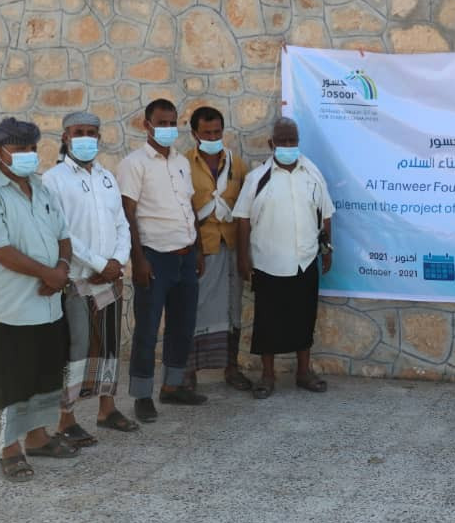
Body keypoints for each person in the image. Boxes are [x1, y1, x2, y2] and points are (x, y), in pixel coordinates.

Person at [0, 118, 78, 481]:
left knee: (44, 374)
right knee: (12, 379)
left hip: (48, 303)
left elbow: (63, 235)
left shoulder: (40, 188)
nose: (29, 154)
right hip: (11, 308)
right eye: (20, 148)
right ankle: (9, 448)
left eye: (32, 148)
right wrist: (48, 274)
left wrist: (61, 269)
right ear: (0, 152)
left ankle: (38, 437)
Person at [42, 111, 138, 446]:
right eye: (78, 131)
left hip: (109, 279)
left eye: (92, 132)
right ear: (66, 137)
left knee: (109, 346)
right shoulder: (53, 180)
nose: (86, 137)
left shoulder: (106, 177)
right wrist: (99, 263)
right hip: (77, 280)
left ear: (99, 137)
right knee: (76, 348)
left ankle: (106, 409)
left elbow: (121, 223)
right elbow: (62, 231)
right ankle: (65, 419)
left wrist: (117, 261)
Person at [117, 98, 205, 423]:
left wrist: (198, 249)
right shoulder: (134, 164)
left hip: (185, 255)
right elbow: (127, 213)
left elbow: (189, 206)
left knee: (182, 326)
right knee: (148, 329)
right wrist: (138, 260)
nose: (168, 129)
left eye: (172, 123)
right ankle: (142, 396)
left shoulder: (181, 162)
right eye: (162, 123)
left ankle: (172, 387)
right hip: (154, 257)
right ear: (147, 125)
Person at [233, 117, 334, 399]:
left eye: (293, 140)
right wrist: (243, 258)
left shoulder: (312, 174)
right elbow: (242, 219)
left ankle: (303, 372)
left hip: (305, 260)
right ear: (271, 144)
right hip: (268, 262)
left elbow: (326, 214)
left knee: (304, 317)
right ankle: (268, 375)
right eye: (283, 141)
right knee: (268, 322)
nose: (288, 145)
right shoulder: (257, 178)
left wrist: (328, 250)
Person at [184, 106, 252, 392]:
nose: (213, 137)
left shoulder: (237, 164)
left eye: (217, 132)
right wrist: (195, 250)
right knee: (195, 308)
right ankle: (189, 371)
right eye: (207, 133)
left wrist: (246, 255)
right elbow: (183, 209)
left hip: (232, 245)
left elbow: (246, 207)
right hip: (202, 248)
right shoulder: (183, 164)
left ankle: (231, 368)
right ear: (195, 134)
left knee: (232, 308)